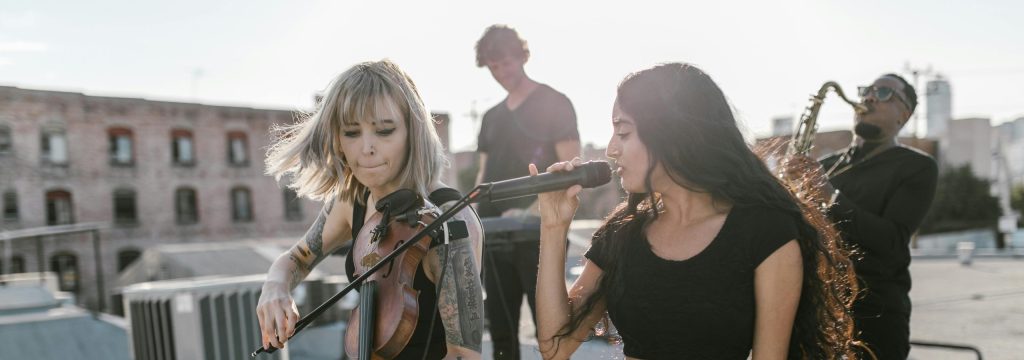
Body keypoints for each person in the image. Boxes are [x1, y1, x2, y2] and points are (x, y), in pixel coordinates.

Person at [533, 63, 861, 359]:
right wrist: (553, 225)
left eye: (624, 132)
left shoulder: (766, 231)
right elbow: (555, 345)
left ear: (674, 135)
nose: (611, 149)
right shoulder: (623, 232)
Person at [257, 59, 485, 360]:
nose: (366, 148)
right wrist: (275, 286)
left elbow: (463, 356)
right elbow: (297, 258)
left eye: (384, 131)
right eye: (351, 133)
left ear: (411, 133)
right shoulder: (352, 201)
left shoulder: (449, 219)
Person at [789, 73, 938, 359]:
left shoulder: (918, 167)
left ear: (903, 115)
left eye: (884, 93)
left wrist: (829, 195)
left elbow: (891, 241)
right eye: (867, 91)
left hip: (875, 316)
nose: (869, 97)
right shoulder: (825, 166)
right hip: (814, 310)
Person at [473, 24, 580, 359]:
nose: (501, 72)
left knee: (550, 333)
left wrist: (528, 213)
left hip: (539, 234)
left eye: (506, 62)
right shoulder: (490, 117)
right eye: (493, 66)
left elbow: (573, 175)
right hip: (494, 236)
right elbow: (483, 176)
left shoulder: (554, 103)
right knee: (501, 335)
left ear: (522, 55)